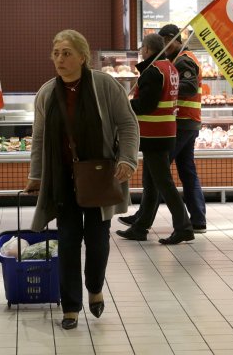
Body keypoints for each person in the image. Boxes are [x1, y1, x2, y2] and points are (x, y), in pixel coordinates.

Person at [24, 29, 139, 330]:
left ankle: (95, 288)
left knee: (98, 241)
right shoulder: (47, 93)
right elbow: (38, 139)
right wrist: (36, 175)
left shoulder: (104, 86)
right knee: (68, 241)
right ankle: (71, 306)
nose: (59, 59)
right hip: (61, 179)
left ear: (83, 57)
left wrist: (128, 159)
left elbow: (128, 123)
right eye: (56, 53)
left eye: (66, 53)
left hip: (99, 177)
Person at [119, 24, 207, 233]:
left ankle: (145, 221)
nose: (166, 45)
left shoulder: (183, 60)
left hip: (181, 123)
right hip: (180, 122)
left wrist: (165, 90)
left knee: (157, 176)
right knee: (185, 171)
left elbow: (190, 87)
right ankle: (196, 220)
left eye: (169, 40)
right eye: (163, 40)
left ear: (177, 40)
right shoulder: (171, 62)